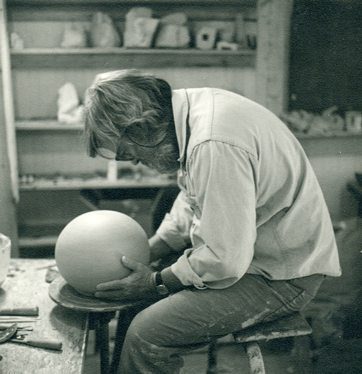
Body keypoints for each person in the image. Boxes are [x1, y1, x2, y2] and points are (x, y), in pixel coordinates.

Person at [83, 69, 341, 373]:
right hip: (255, 256)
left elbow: (224, 259)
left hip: (282, 276)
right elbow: (192, 200)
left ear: (141, 128)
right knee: (137, 302)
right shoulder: (189, 114)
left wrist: (155, 282)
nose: (140, 163)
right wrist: (147, 252)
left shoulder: (212, 142)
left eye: (132, 155)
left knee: (146, 335)